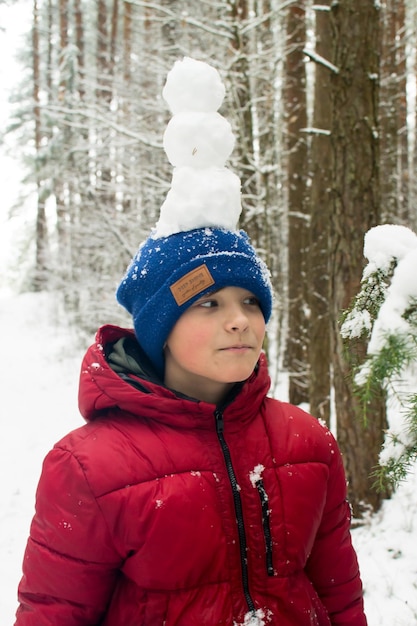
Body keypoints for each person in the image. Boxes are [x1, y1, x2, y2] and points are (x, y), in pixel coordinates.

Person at [15, 58, 367, 626]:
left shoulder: (307, 442)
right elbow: (53, 615)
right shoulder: (87, 468)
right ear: (160, 327)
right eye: (209, 303)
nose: (239, 321)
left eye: (250, 302)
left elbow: (340, 596)